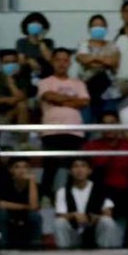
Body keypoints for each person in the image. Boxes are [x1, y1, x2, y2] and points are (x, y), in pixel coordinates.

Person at [83, 110, 128, 247]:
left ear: (118, 125)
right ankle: (89, 244)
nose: (109, 128)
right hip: (100, 192)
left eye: (112, 123)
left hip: (123, 191)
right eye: (105, 124)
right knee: (92, 204)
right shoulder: (91, 146)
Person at [36, 49, 90, 201]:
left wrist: (61, 99)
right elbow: (49, 96)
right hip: (51, 130)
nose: (62, 63)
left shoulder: (78, 83)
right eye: (58, 60)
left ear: (69, 63)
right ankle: (46, 196)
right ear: (52, 62)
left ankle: (70, 198)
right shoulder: (45, 82)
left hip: (74, 130)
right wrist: (72, 100)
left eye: (65, 60)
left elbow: (84, 102)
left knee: (73, 167)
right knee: (50, 167)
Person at [53, 157, 121, 249]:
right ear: (70, 171)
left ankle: (104, 254)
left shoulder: (100, 189)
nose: (79, 170)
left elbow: (108, 213)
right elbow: (60, 216)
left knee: (107, 222)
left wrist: (93, 218)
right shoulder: (63, 191)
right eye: (75, 166)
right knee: (59, 223)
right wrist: (73, 215)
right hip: (73, 233)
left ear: (89, 171)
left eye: (83, 166)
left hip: (94, 232)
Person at [75, 14, 121, 121]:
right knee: (86, 122)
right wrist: (104, 60)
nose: (98, 28)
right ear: (90, 28)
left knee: (108, 126)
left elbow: (113, 62)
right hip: (86, 92)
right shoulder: (83, 44)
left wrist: (93, 58)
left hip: (109, 93)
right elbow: (84, 60)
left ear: (106, 28)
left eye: (101, 26)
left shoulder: (113, 45)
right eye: (95, 26)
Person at [0, 156, 42, 249]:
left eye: (25, 167)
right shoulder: (5, 184)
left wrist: (31, 181)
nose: (21, 170)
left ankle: (36, 247)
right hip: (9, 216)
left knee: (35, 215)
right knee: (1, 212)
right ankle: (1, 247)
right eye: (17, 167)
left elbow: (34, 206)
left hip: (27, 217)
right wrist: (25, 207)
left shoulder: (35, 186)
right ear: (11, 170)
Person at [0, 50, 30, 127]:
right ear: (0, 63)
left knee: (22, 105)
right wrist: (6, 99)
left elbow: (22, 97)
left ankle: (22, 137)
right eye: (7, 62)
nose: (10, 65)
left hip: (14, 112)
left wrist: (11, 84)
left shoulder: (22, 78)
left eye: (13, 62)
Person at [16, 12, 56, 100]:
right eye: (32, 23)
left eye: (38, 24)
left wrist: (41, 41)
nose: (35, 26)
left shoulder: (48, 42)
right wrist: (29, 60)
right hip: (27, 73)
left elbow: (49, 59)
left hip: (45, 73)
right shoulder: (22, 42)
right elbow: (21, 61)